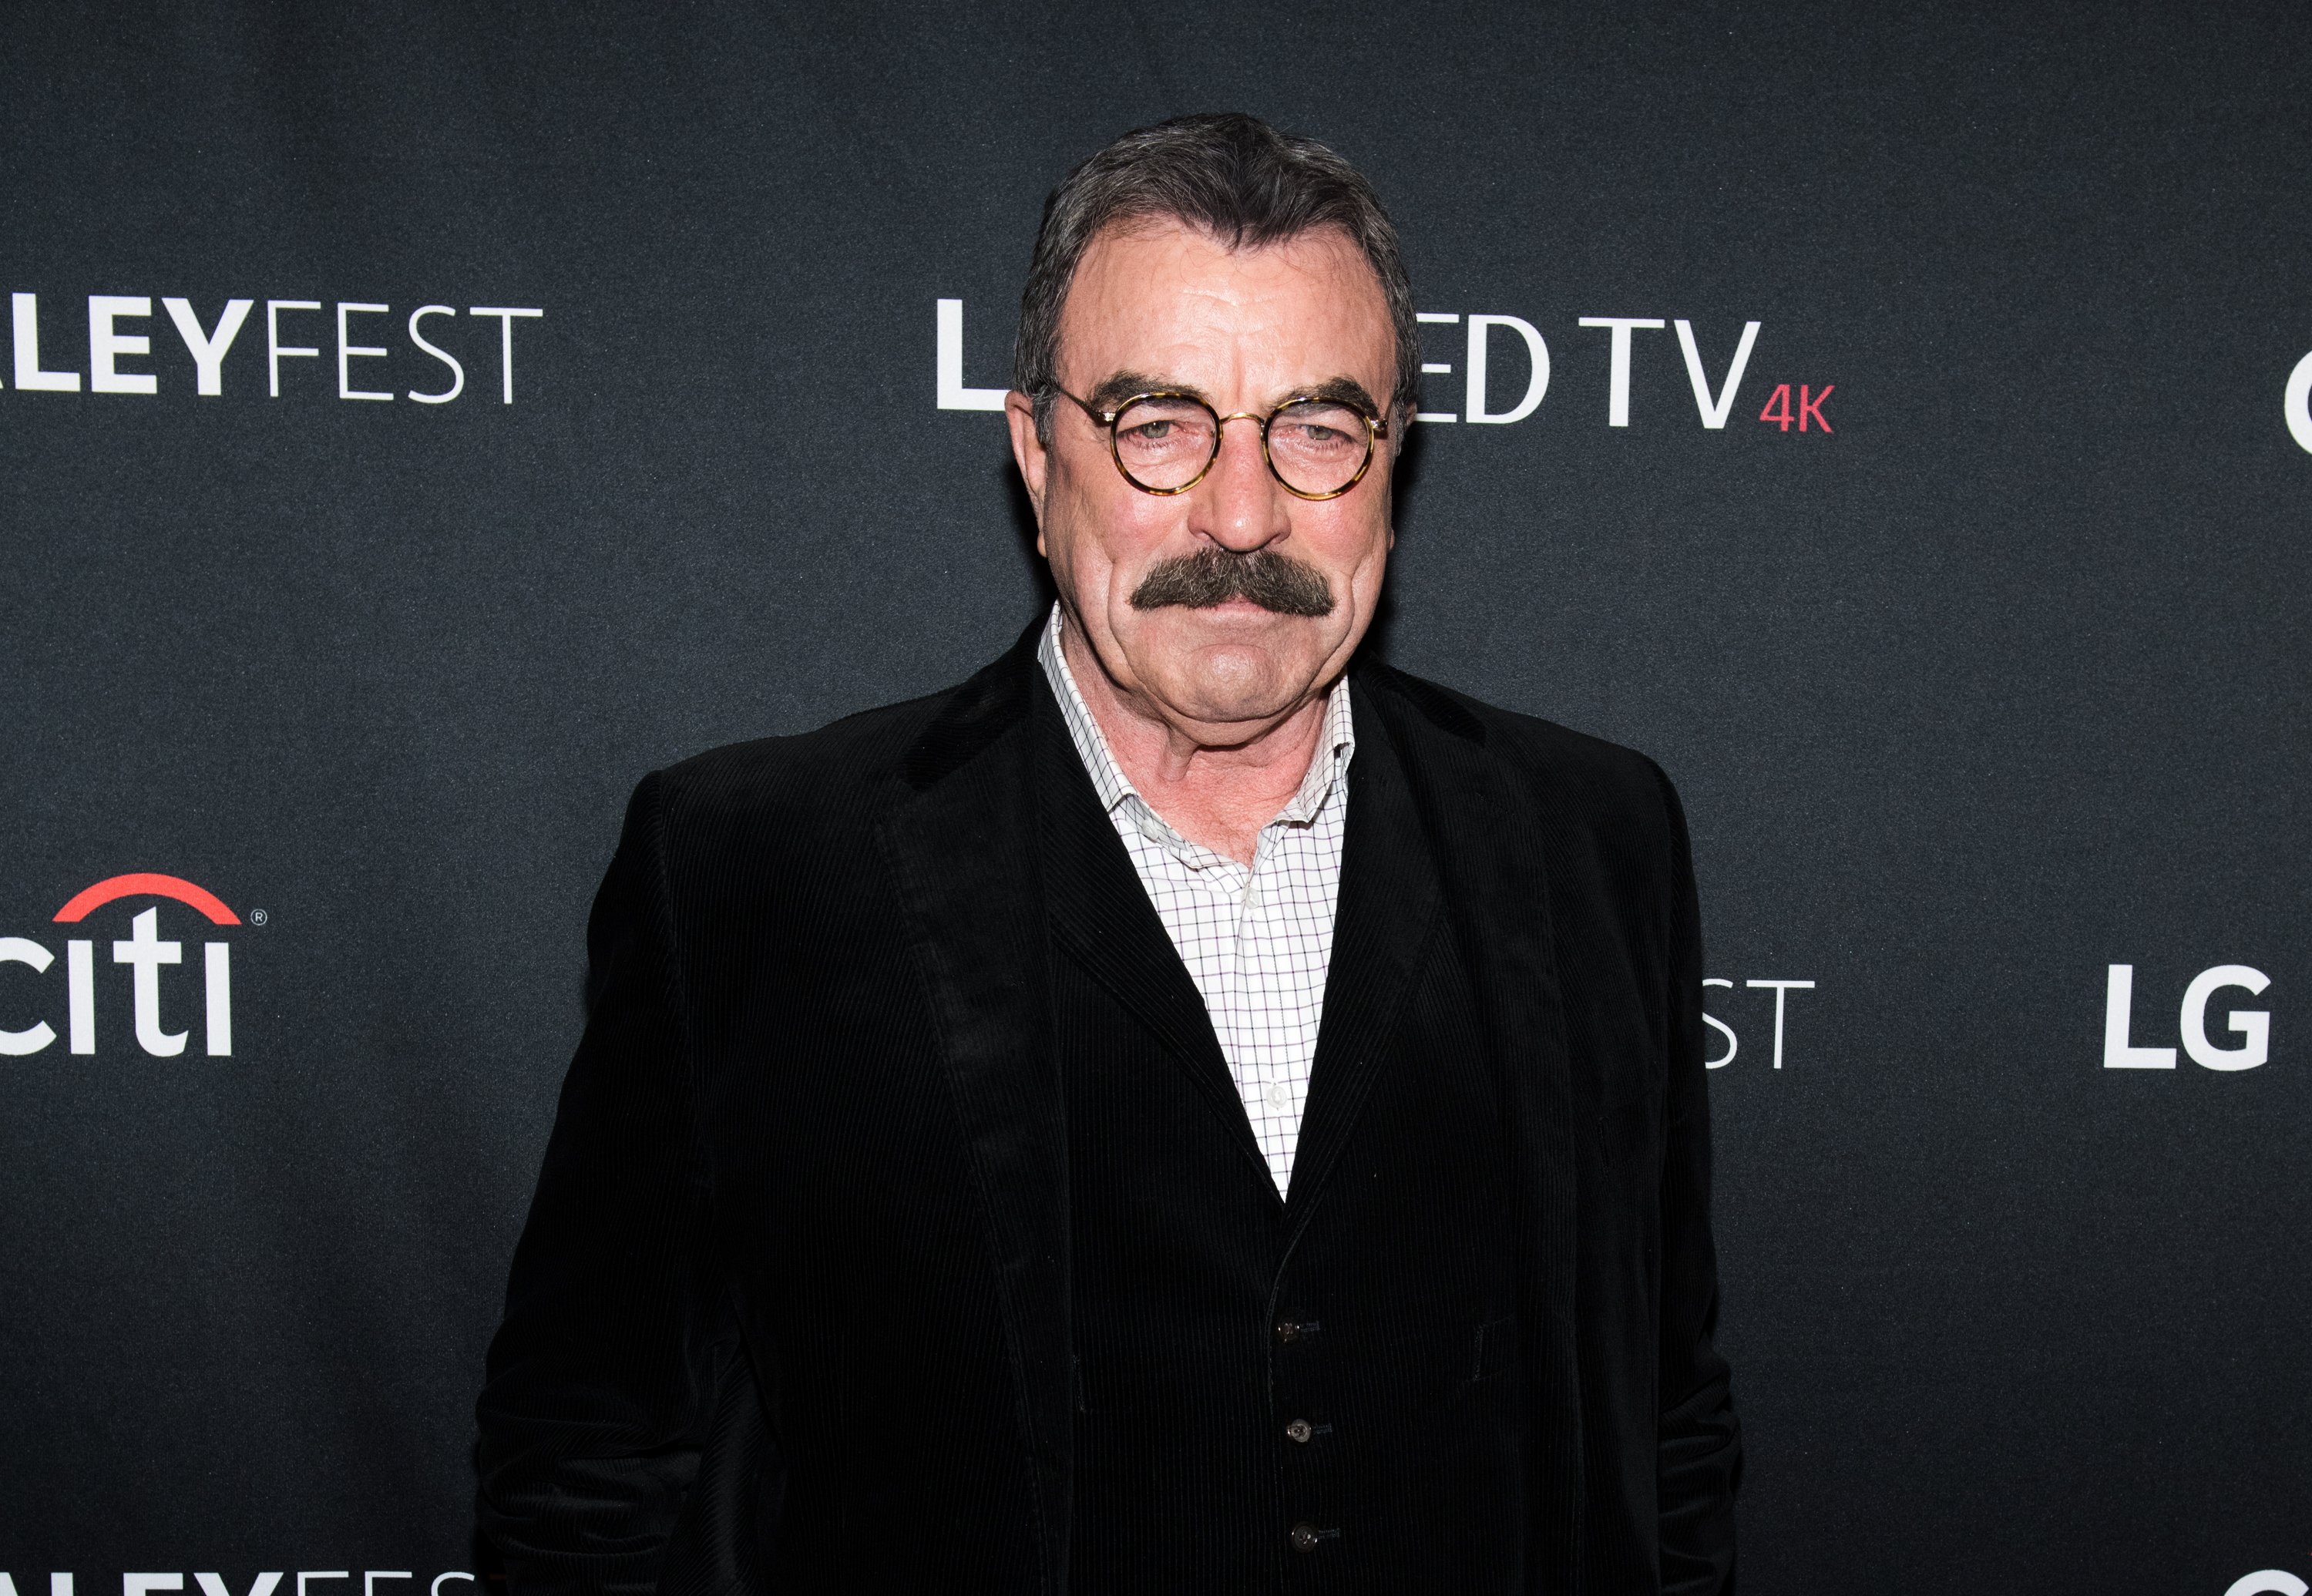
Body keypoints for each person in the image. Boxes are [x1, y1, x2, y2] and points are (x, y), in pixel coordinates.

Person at [477, 112, 1739, 1595]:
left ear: (1395, 461)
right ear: (1034, 450)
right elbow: (588, 1457)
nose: (1243, 512)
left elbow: (1668, 1420)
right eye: (1160, 424)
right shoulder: (756, 868)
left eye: (1320, 431)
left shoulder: (1594, 841)